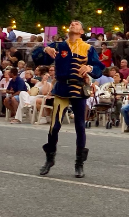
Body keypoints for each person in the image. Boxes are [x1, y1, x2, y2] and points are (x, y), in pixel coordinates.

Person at [32, 20, 104, 178]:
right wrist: (46, 49)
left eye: (78, 23)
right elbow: (35, 57)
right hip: (62, 89)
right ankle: (49, 159)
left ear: (82, 31)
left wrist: (90, 68)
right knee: (54, 126)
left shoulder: (88, 48)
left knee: (80, 127)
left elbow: (99, 69)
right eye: (72, 23)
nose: (74, 23)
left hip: (78, 90)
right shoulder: (58, 46)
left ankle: (79, 164)